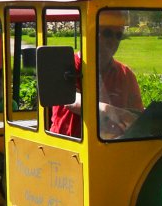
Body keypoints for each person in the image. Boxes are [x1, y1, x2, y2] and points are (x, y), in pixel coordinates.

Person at [49, 10, 143, 139]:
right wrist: (107, 109)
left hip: (109, 149)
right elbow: (70, 100)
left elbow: (137, 116)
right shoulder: (65, 65)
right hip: (68, 149)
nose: (113, 41)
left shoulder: (126, 74)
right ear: (91, 32)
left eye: (118, 35)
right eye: (107, 33)